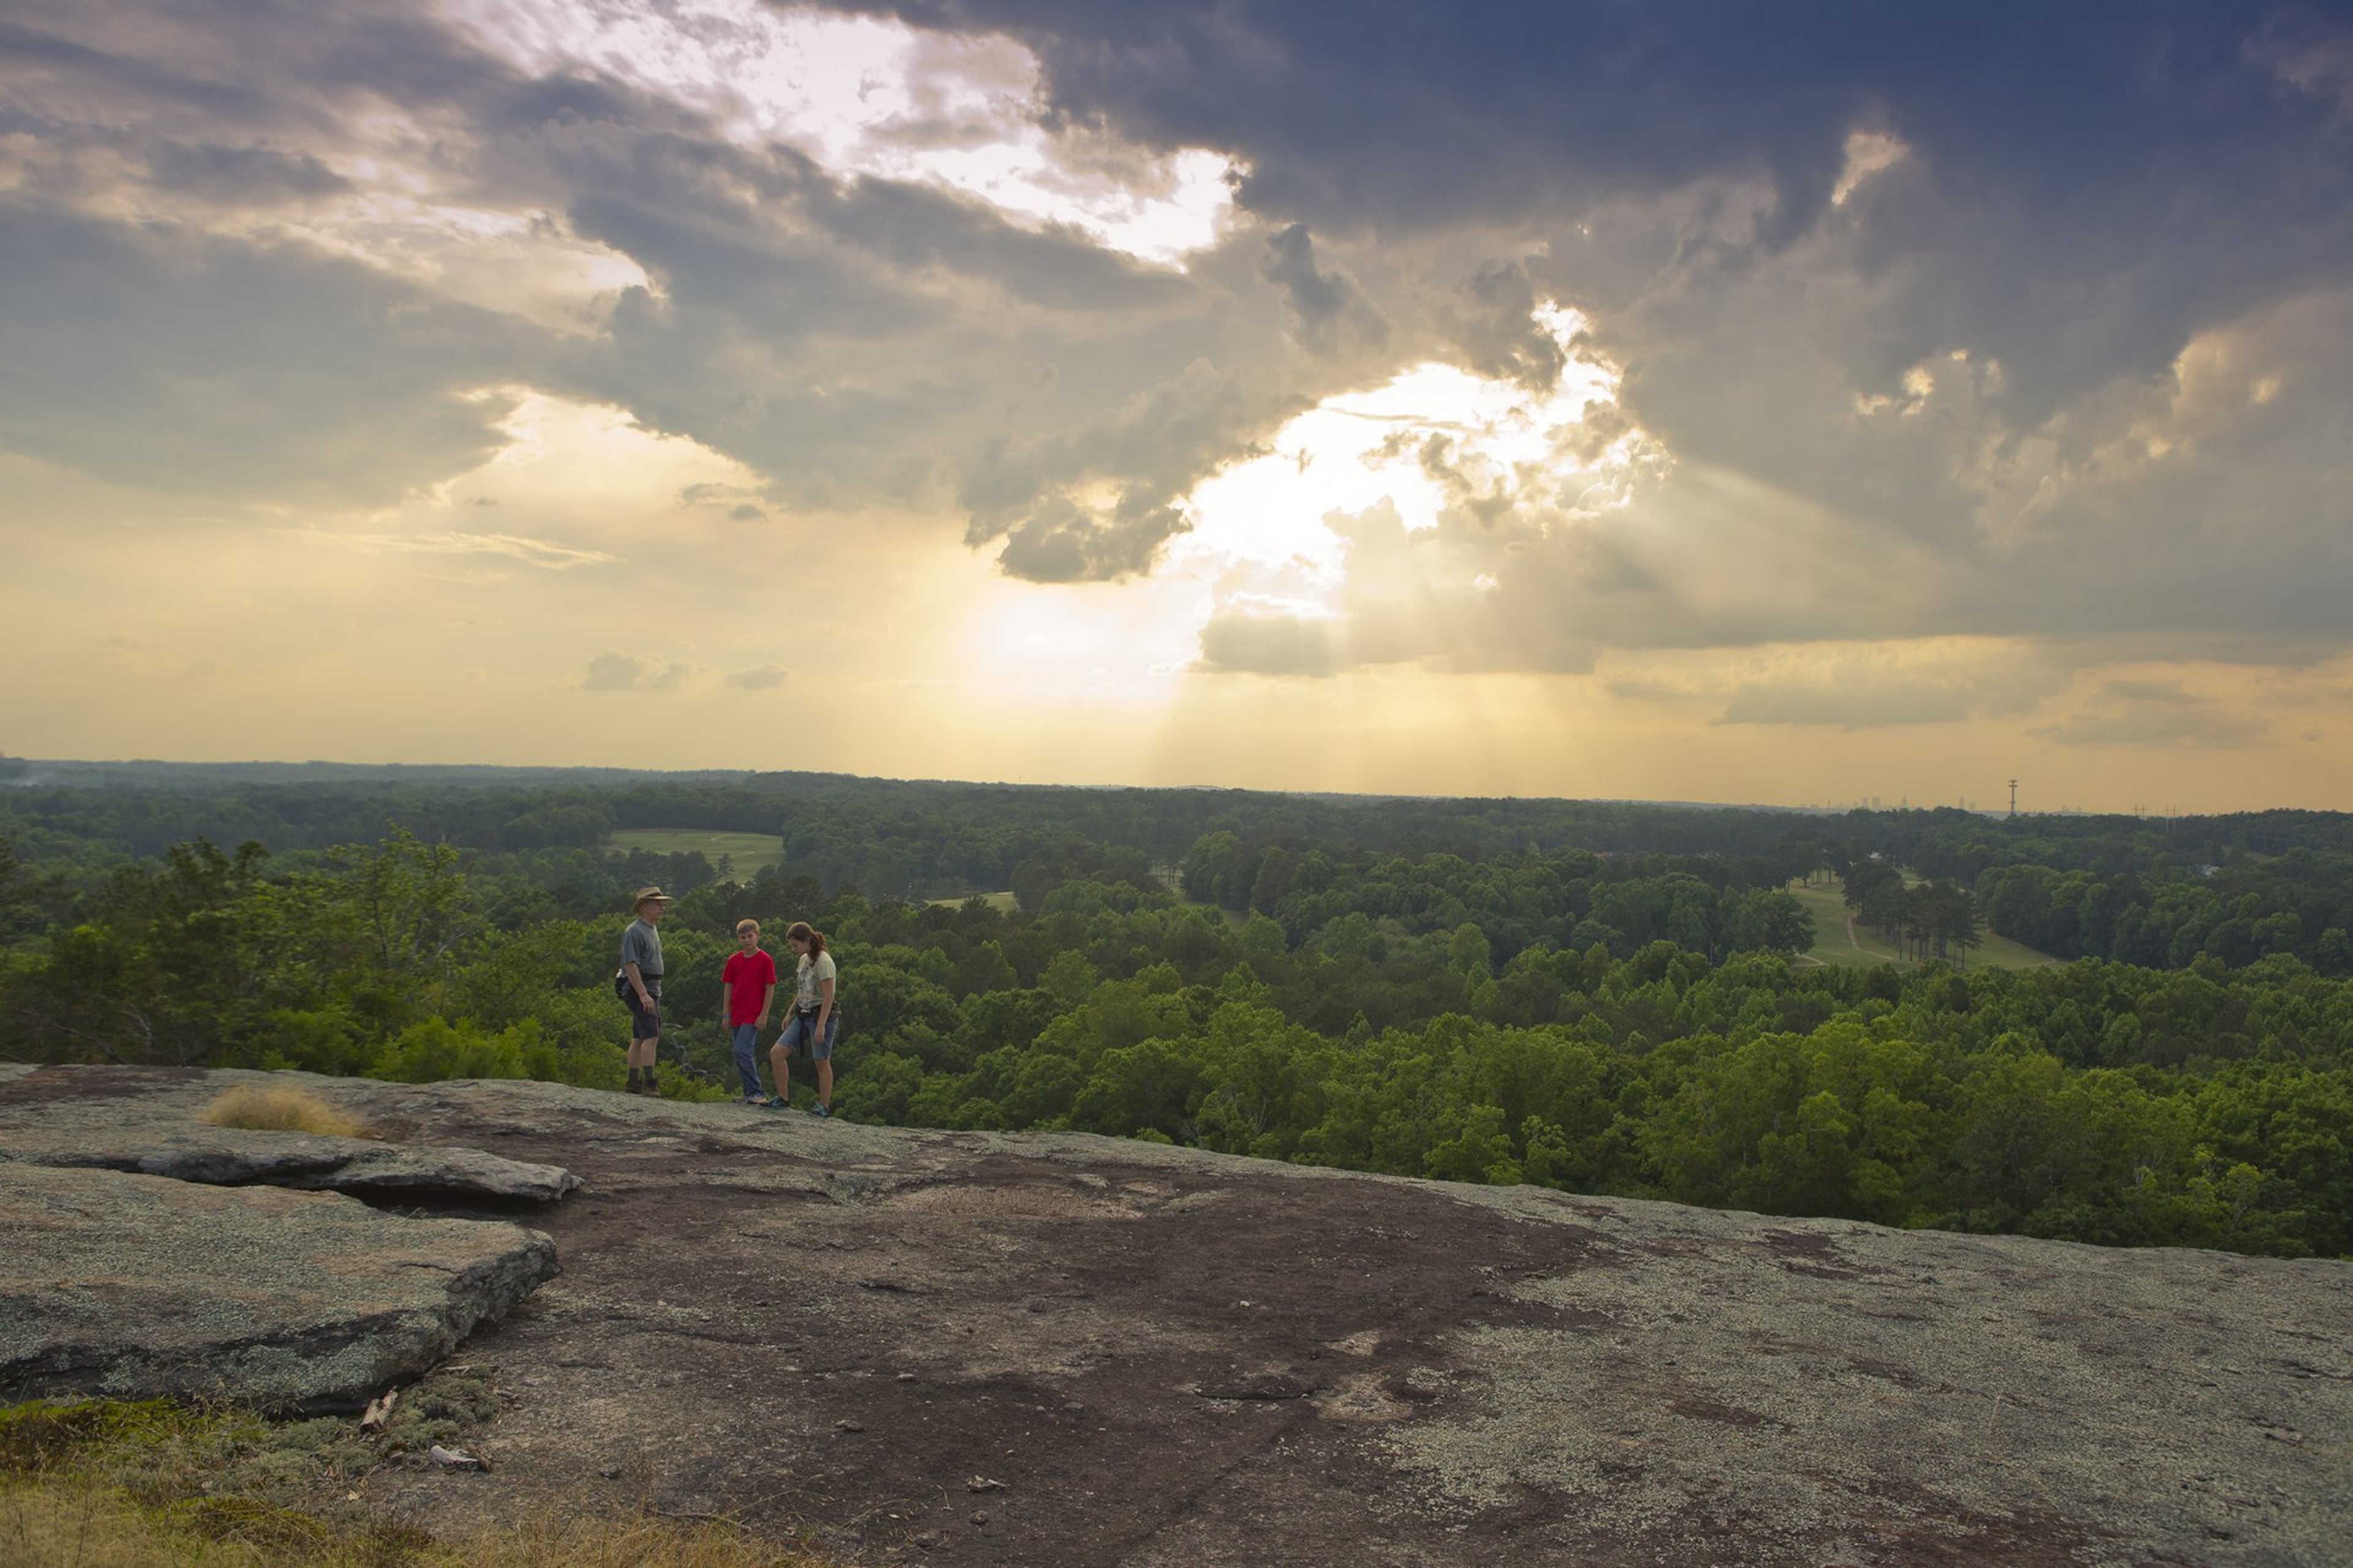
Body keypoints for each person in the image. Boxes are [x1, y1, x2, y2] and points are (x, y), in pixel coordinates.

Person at [767, 920, 837, 1115]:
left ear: (807, 941)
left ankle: (823, 1106)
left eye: (795, 945)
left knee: (821, 1061)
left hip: (820, 1016)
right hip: (803, 1014)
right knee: (777, 1053)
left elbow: (829, 996)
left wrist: (821, 1025)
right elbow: (803, 990)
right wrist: (790, 1012)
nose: (793, 949)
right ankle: (782, 1098)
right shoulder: (804, 959)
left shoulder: (824, 962)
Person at [619, 886, 672, 1095]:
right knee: (652, 1035)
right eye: (657, 904)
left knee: (640, 1036)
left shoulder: (650, 928)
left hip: (651, 988)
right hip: (641, 989)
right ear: (644, 907)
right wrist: (642, 994)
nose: (662, 907)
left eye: (662, 903)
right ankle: (649, 1084)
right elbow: (630, 964)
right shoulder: (634, 931)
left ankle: (632, 1082)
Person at [721, 918, 778, 1104]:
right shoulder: (734, 960)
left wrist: (764, 1014)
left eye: (750, 936)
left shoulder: (765, 960)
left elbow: (770, 987)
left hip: (753, 1014)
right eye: (743, 937)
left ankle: (757, 1092)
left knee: (742, 1050)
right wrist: (725, 1013)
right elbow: (728, 987)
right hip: (736, 1012)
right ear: (738, 939)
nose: (747, 940)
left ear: (757, 936)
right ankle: (749, 1093)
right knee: (742, 1053)